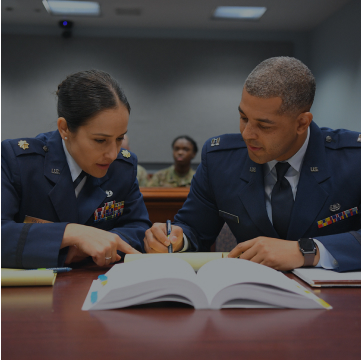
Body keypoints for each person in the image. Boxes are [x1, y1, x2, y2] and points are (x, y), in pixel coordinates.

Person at [144, 57, 361, 272]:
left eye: (264, 126)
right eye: (243, 118)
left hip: (337, 299)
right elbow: (194, 229)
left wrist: (308, 251)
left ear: (301, 123)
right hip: (250, 294)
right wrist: (175, 239)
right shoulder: (220, 159)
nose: (247, 134)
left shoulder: (353, 159)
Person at [2, 69, 152, 269]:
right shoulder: (18, 161)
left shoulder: (122, 167)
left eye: (119, 139)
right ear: (64, 128)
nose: (112, 154)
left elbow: (138, 227)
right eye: (100, 140)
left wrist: (104, 242)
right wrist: (71, 234)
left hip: (101, 284)